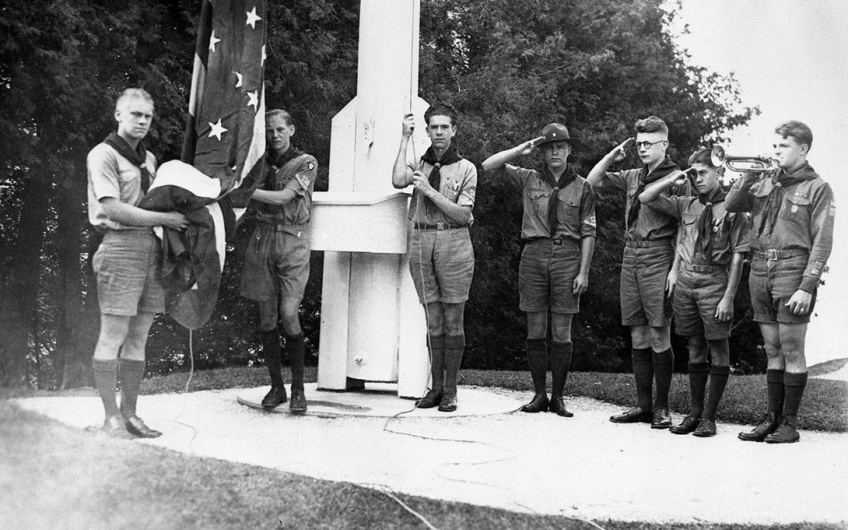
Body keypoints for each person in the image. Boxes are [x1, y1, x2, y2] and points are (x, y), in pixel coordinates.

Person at [87, 88, 189, 437]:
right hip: (120, 246)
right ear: (118, 115)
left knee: (139, 336)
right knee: (113, 332)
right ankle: (110, 417)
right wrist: (165, 220)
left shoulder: (149, 160)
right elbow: (111, 207)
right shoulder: (103, 154)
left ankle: (130, 415)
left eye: (147, 116)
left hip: (152, 250)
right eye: (135, 114)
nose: (142, 121)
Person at [726, 121, 834, 443]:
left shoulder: (818, 187)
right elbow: (731, 206)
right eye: (774, 146)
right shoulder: (765, 182)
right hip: (760, 266)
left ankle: (789, 423)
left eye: (783, 146)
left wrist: (807, 285)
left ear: (802, 149)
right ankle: (771, 419)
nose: (775, 152)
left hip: (792, 269)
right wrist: (749, 176)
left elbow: (822, 242)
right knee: (771, 349)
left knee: (791, 349)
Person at [481, 123, 595, 417]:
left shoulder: (583, 186)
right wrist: (520, 149)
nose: (555, 152)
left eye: (560, 147)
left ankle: (558, 396)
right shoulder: (529, 177)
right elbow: (487, 165)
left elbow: (589, 233)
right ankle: (539, 394)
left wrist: (583, 272)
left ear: (569, 150)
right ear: (542, 152)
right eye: (549, 148)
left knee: (561, 330)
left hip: (567, 257)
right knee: (534, 327)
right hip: (534, 254)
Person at [639, 149, 749, 437]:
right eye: (694, 173)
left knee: (718, 348)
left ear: (718, 173)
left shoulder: (733, 207)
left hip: (714, 281)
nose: (698, 179)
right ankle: (694, 413)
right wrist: (675, 178)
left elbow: (738, 256)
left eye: (703, 172)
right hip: (687, 282)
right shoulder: (686, 204)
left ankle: (709, 418)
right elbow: (645, 197)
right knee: (695, 348)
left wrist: (728, 296)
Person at [586, 116, 685, 429]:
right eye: (639, 143)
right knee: (638, 331)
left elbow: (687, 225)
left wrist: (675, 269)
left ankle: (663, 407)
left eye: (649, 143)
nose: (642, 149)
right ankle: (643, 405)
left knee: (659, 331)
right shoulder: (632, 175)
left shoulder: (679, 177)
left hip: (659, 254)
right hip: (631, 255)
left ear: (664, 144)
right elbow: (591, 181)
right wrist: (610, 157)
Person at [391, 103, 477, 412]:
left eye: (444, 127)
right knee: (433, 318)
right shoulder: (420, 161)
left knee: (454, 319)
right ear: (426, 131)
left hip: (453, 242)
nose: (438, 132)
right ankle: (436, 388)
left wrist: (428, 190)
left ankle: (451, 390)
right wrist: (404, 138)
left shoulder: (466, 168)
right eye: (433, 127)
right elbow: (398, 180)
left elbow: (463, 214)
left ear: (454, 131)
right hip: (421, 239)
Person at [240, 109, 318, 413]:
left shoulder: (305, 162)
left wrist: (244, 191)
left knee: (289, 313)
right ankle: (277, 387)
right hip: (262, 240)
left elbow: (285, 197)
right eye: (270, 131)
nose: (275, 136)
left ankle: (299, 389)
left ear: (292, 130)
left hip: (292, 241)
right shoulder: (259, 165)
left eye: (280, 130)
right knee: (267, 317)